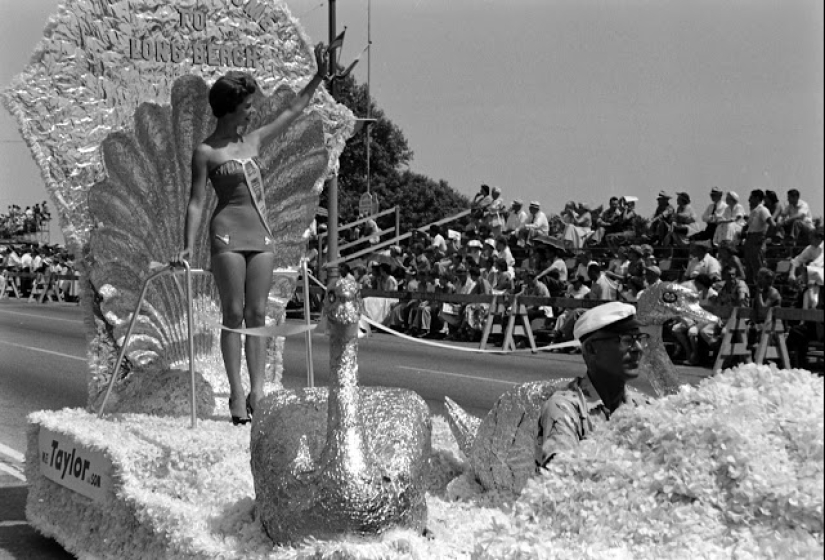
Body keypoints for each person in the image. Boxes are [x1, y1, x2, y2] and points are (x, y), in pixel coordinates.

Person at [178, 44, 328, 424]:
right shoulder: (206, 152)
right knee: (233, 314)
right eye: (247, 105)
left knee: (258, 314)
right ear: (230, 107)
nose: (252, 111)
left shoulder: (254, 141)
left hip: (260, 236)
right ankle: (235, 390)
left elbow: (294, 111)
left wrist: (319, 77)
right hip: (226, 235)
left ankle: (258, 389)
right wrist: (184, 246)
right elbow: (196, 202)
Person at [537, 302, 649, 466]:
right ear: (591, 349)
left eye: (640, 339)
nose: (638, 349)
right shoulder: (565, 408)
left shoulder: (643, 406)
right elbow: (561, 474)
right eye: (626, 340)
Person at [742, 189, 774, 285]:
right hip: (750, 239)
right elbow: (747, 226)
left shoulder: (763, 210)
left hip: (757, 239)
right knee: (749, 266)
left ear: (756, 198)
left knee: (758, 266)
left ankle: (764, 288)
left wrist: (764, 238)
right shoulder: (754, 211)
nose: (749, 200)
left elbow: (772, 224)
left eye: (751, 197)